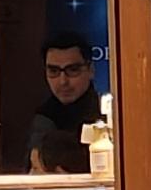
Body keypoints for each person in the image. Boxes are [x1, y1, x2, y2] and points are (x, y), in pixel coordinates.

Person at [28, 32, 106, 173]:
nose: (63, 81)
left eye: (73, 70)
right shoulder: (42, 118)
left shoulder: (107, 114)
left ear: (91, 70)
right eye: (54, 71)